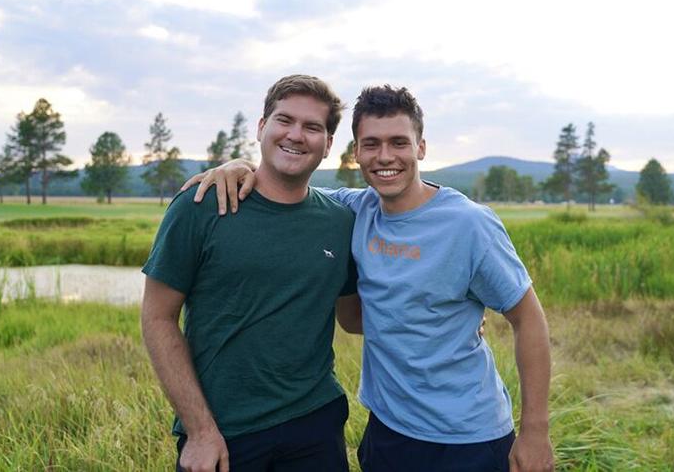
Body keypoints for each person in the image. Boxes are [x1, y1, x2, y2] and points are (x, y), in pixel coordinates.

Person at [184, 84, 555, 472]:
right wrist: (239, 166)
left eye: (399, 143)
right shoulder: (353, 211)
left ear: (421, 148)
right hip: (388, 432)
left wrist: (534, 431)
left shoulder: (469, 224)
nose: (385, 157)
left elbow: (528, 319)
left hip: (466, 438)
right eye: (371, 144)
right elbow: (289, 186)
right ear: (356, 152)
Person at [141, 75, 358, 472]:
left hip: (316, 424)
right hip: (225, 433)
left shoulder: (341, 220)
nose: (296, 134)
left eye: (313, 127)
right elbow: (157, 317)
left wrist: (452, 314)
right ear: (261, 128)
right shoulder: (201, 204)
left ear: (328, 145)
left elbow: (355, 317)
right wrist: (200, 431)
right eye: (284, 120)